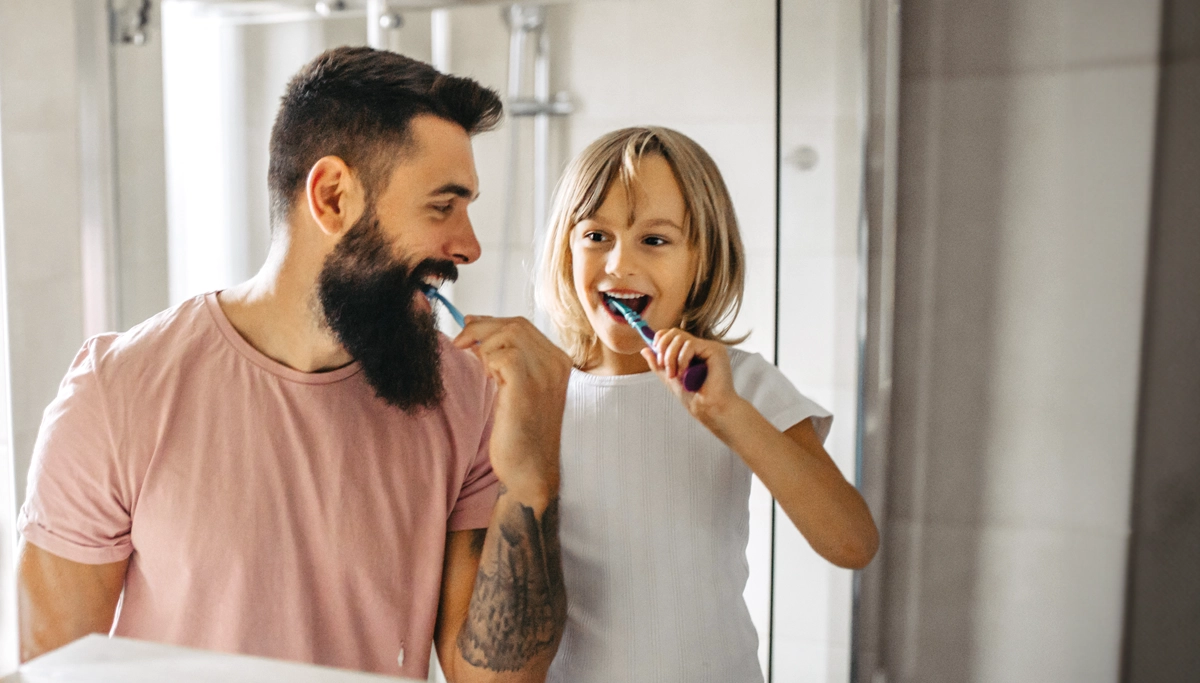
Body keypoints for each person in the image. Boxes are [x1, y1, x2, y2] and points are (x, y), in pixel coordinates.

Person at [16, 47, 570, 682]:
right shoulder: (116, 393)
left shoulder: (469, 397)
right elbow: (53, 672)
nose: (469, 246)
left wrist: (532, 482)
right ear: (332, 196)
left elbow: (496, 681)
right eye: (442, 207)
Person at [536, 127, 880, 682]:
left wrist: (728, 413)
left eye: (656, 240)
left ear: (703, 258)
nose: (618, 264)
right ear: (565, 246)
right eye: (596, 235)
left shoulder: (740, 384)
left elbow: (852, 542)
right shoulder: (540, 392)